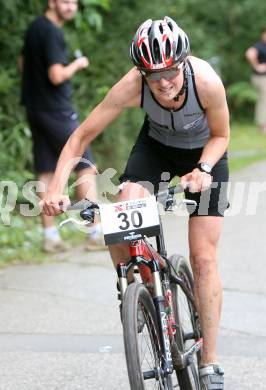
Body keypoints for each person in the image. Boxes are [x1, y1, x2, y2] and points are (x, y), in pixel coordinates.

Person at [41, 16, 229, 389]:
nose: (163, 83)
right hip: (156, 149)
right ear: (141, 72)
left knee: (204, 258)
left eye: (170, 72)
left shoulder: (205, 81)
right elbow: (79, 139)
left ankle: (209, 361)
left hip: (206, 155)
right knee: (120, 217)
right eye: (153, 76)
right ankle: (138, 288)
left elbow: (222, 134)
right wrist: (56, 187)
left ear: (183, 63)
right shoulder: (132, 86)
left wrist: (204, 168)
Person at [20, 0, 105, 252]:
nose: (70, 7)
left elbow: (22, 63)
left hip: (35, 108)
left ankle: (50, 236)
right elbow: (56, 75)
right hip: (56, 109)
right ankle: (94, 232)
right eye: (64, 2)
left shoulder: (35, 27)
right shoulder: (52, 31)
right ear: (51, 2)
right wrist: (77, 65)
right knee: (85, 165)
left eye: (73, 2)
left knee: (46, 169)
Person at [245, 26, 266, 134]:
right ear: (263, 35)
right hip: (262, 78)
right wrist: (257, 66)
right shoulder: (260, 45)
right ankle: (263, 126)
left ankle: (262, 124)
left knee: (264, 101)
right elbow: (249, 53)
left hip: (265, 78)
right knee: (265, 101)